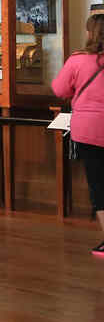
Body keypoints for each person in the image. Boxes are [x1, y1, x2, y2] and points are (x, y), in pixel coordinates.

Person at [52, 15, 104, 257]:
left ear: (90, 33)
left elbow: (59, 89)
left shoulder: (78, 60)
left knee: (98, 184)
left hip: (90, 130)